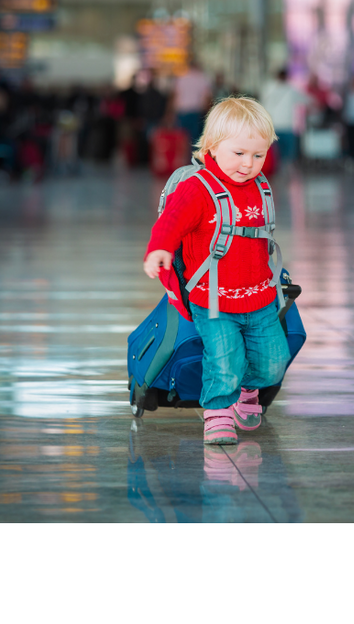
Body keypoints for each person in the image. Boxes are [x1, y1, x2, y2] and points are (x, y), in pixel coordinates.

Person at [143, 97, 290, 446]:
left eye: (258, 155)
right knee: (224, 360)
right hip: (213, 300)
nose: (249, 164)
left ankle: (248, 392)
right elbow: (170, 223)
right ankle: (218, 413)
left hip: (260, 296)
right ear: (211, 146)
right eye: (239, 153)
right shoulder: (198, 189)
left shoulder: (260, 187)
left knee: (274, 361)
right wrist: (159, 248)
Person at [260, 67, 312, 166]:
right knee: (287, 156)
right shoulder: (291, 89)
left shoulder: (268, 88)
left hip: (272, 126)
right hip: (287, 126)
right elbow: (306, 100)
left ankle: (276, 172)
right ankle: (286, 174)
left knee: (273, 154)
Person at [173, 56, 212, 145]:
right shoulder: (203, 78)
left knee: (182, 138)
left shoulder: (181, 78)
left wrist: (171, 113)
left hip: (182, 112)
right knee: (195, 140)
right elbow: (207, 98)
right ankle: (193, 158)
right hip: (196, 112)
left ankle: (182, 158)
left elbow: (175, 96)